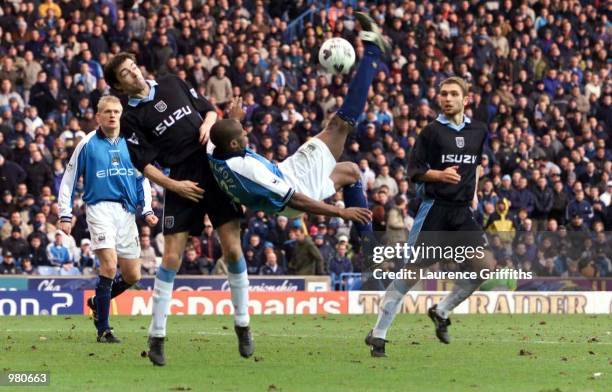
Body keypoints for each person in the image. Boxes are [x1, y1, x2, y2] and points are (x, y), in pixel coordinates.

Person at [103, 53, 253, 365]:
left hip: (213, 166)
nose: (134, 73)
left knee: (234, 251)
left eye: (133, 67)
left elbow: (208, 110)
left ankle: (242, 325)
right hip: (181, 178)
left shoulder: (172, 82)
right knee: (171, 257)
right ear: (119, 85)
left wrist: (211, 121)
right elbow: (143, 164)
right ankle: (157, 335)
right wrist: (175, 186)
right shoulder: (131, 118)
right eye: (126, 74)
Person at [208, 13, 389, 232]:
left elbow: (223, 135)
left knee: (350, 171)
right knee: (339, 126)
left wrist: (234, 120)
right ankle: (373, 50)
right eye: (242, 135)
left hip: (286, 181)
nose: (246, 134)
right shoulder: (247, 169)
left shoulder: (214, 149)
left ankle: (368, 251)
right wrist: (341, 212)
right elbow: (295, 200)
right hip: (296, 187)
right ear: (234, 145)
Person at [365, 76, 495, 356]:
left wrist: (473, 191)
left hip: (461, 214)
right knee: (411, 274)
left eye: (453, 94)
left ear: (466, 100)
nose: (447, 98)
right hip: (435, 210)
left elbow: (475, 165)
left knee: (484, 266)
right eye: (443, 94)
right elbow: (413, 170)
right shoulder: (431, 132)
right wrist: (439, 174)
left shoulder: (479, 130)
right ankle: (378, 334)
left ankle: (442, 311)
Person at [58, 95, 158, 343]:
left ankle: (96, 302)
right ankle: (104, 329)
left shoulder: (132, 142)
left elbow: (141, 179)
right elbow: (69, 179)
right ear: (98, 116)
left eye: (116, 111)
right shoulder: (87, 143)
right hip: (99, 208)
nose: (112, 115)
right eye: (107, 112)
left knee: (133, 275)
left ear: (121, 114)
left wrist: (146, 209)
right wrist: (65, 214)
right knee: (109, 266)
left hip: (126, 212)